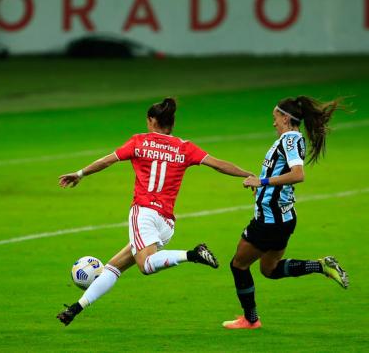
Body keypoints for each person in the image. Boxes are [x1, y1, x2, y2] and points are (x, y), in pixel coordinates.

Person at [56, 97, 255, 326]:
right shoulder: (185, 147)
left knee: (146, 266)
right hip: (167, 223)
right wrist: (248, 174)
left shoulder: (139, 142)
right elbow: (219, 164)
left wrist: (80, 174)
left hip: (144, 213)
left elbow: (107, 161)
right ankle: (76, 308)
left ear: (151, 120)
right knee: (114, 266)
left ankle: (192, 254)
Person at [222, 96, 349, 330]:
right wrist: (262, 188)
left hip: (270, 220)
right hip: (284, 217)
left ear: (286, 118)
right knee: (269, 270)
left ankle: (250, 320)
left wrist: (262, 182)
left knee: (238, 265)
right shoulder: (290, 139)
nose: (273, 123)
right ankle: (321, 265)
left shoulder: (289, 140)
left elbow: (298, 174)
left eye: (275, 118)